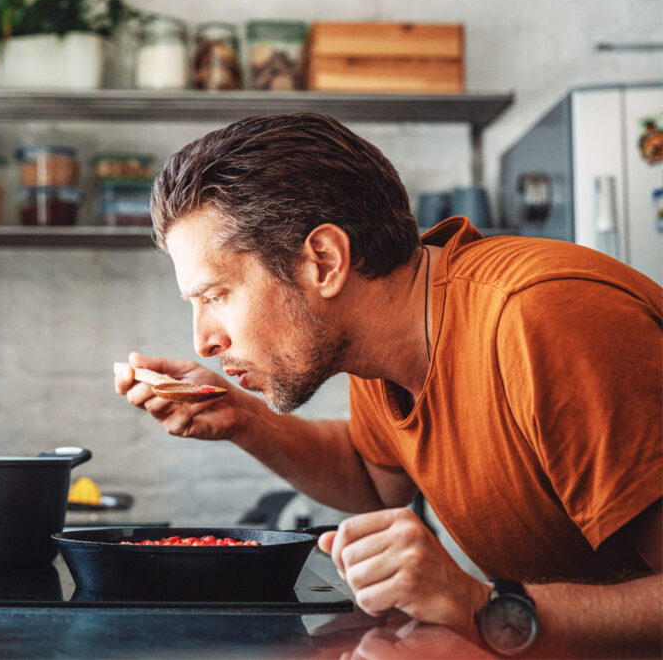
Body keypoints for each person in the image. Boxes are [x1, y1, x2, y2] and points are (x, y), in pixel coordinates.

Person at [114, 113, 662, 657]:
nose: (203, 341)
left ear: (324, 261)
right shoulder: (380, 340)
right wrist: (243, 419)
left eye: (216, 296)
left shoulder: (545, 319)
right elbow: (376, 482)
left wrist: (478, 604)